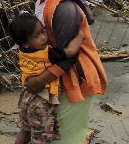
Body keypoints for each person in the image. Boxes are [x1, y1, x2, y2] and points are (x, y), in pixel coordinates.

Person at [12, 0, 108, 144]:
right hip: (59, 81)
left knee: (67, 138)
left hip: (75, 80)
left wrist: (40, 81)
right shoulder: (44, 1)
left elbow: (68, 57)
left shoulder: (63, 9)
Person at [9, 13, 84, 144]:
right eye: (36, 36)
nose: (44, 37)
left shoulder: (23, 51)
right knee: (42, 139)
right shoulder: (47, 53)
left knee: (25, 132)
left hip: (26, 97)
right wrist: (80, 35)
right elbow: (71, 52)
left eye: (43, 31)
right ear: (26, 43)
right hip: (41, 102)